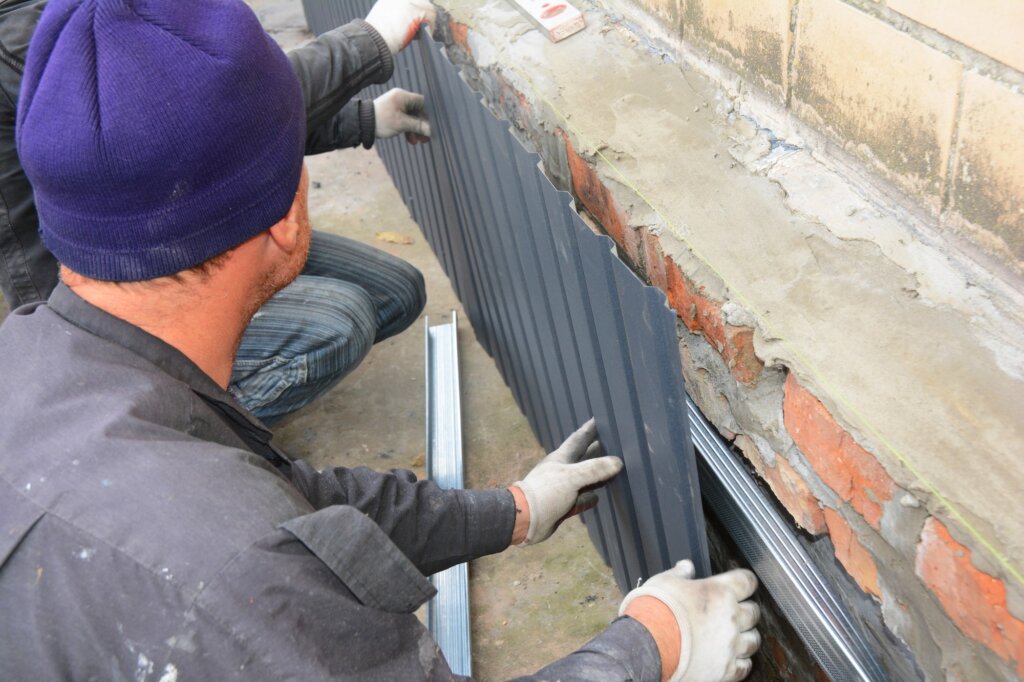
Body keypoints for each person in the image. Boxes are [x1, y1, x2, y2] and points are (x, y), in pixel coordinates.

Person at [0, 1, 761, 680]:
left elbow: (299, 507)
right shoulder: (233, 580)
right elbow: (263, 545)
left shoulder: (48, 362)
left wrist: (516, 510)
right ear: (287, 216)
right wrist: (648, 649)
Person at [0, 0, 434, 424]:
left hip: (181, 229)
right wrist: (368, 43)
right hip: (106, 293)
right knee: (339, 324)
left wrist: (360, 121)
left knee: (395, 292)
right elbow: (195, 117)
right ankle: (178, 432)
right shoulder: (26, 32)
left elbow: (209, 130)